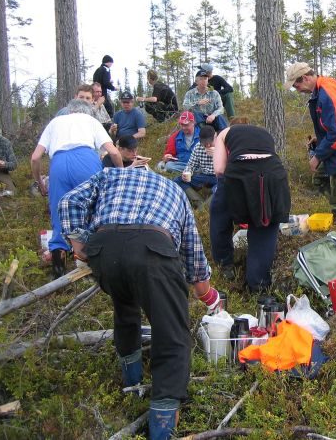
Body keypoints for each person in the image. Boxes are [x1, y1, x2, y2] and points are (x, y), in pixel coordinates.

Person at [58, 167, 220, 440]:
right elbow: (193, 257)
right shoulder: (176, 193)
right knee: (172, 332)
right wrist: (207, 293)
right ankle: (162, 424)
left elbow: (68, 202)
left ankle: (131, 380)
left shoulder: (110, 175)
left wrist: (79, 245)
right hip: (152, 249)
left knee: (125, 307)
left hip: (104, 248)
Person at [30, 99, 123, 278]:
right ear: (88, 112)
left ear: (69, 111)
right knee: (93, 210)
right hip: (87, 160)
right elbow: (114, 153)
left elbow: (35, 158)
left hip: (58, 164)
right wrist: (121, 176)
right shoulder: (91, 121)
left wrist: (40, 183)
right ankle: (94, 264)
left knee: (58, 212)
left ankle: (58, 269)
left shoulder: (55, 122)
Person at [210, 124, 290, 290]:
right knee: (265, 223)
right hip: (274, 174)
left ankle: (225, 266)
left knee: (220, 215)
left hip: (240, 171)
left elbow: (219, 170)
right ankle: (258, 285)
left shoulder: (223, 133)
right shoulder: (264, 132)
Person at [285, 62, 336, 219]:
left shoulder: (327, 93)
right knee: (320, 179)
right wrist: (321, 139)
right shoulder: (322, 88)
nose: (298, 91)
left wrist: (317, 157)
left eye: (296, 86)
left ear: (305, 78)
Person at [174, 126, 217, 209]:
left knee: (224, 186)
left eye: (210, 142)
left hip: (220, 177)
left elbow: (231, 167)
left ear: (215, 137)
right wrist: (188, 172)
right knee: (178, 180)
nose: (207, 146)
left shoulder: (224, 145)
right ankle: (200, 203)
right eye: (205, 144)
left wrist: (218, 154)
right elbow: (190, 165)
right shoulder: (198, 147)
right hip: (205, 176)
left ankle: (205, 207)